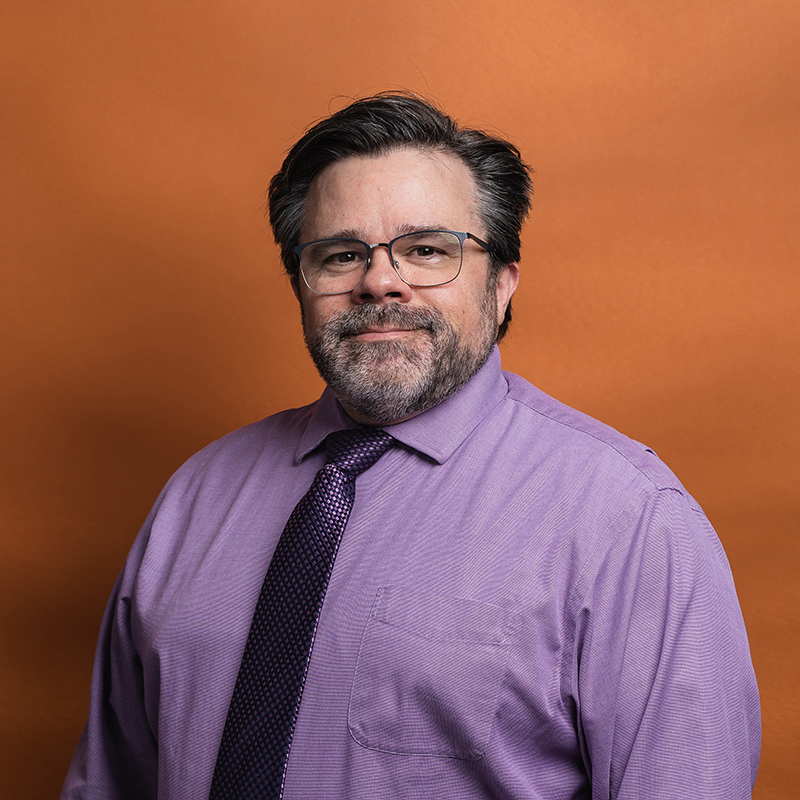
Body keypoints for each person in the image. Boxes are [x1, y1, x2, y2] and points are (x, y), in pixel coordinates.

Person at [61, 93, 760, 800]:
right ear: (300, 285)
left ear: (502, 282)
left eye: (427, 250)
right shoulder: (198, 497)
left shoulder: (629, 522)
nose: (379, 281)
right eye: (341, 254)